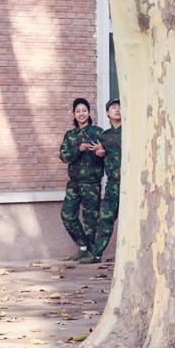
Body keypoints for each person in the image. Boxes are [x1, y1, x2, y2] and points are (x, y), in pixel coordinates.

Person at [58, 98, 104, 262]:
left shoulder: (98, 132)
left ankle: (91, 253)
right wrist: (78, 149)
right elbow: (64, 156)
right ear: (73, 114)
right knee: (67, 214)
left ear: (89, 112)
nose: (81, 114)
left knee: (90, 218)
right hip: (74, 183)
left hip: (91, 183)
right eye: (78, 111)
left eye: (84, 110)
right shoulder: (70, 135)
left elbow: (106, 156)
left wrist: (100, 152)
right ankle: (82, 246)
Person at [90, 98, 122, 262]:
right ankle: (96, 254)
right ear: (107, 113)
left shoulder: (130, 132)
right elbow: (97, 160)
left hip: (131, 184)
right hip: (113, 184)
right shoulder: (104, 136)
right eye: (113, 107)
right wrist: (99, 153)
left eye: (120, 107)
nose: (117, 109)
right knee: (106, 218)